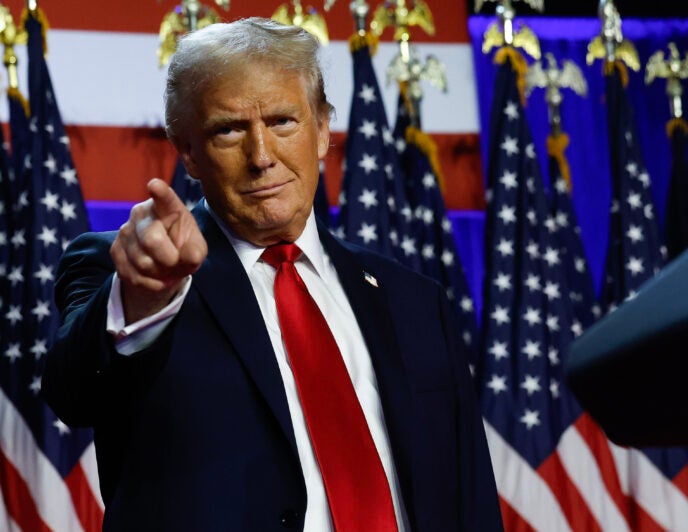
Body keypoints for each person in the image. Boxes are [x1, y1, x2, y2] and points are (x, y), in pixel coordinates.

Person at [45, 17, 502, 532]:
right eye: (229, 130)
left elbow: (468, 495)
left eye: (283, 121)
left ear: (324, 129)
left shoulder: (414, 300)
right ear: (188, 152)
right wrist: (145, 299)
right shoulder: (132, 274)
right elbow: (73, 393)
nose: (261, 157)